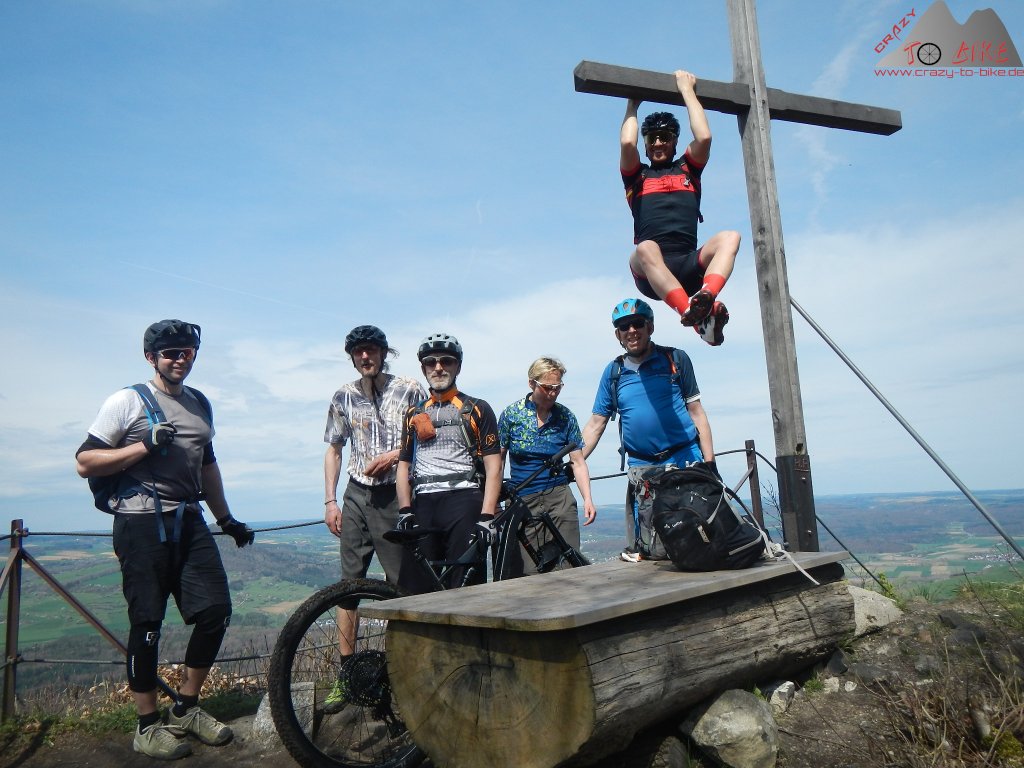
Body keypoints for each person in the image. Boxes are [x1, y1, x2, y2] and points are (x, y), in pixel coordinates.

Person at [75, 320, 254, 760]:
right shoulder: (127, 400)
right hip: (139, 524)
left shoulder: (199, 404)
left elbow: (207, 465)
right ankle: (146, 725)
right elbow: (85, 461)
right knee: (148, 623)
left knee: (215, 611)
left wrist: (226, 518)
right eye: (171, 352)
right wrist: (142, 447)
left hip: (189, 520)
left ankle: (186, 709)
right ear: (151, 357)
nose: (180, 359)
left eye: (187, 351)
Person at [321, 324, 425, 711]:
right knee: (349, 585)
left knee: (400, 584)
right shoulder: (343, 396)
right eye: (359, 352)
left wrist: (396, 455)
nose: (366, 357)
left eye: (372, 350)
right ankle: (346, 678)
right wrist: (330, 501)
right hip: (356, 494)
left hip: (395, 494)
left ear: (384, 353)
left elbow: (425, 437)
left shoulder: (410, 388)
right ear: (352, 356)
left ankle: (402, 673)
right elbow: (334, 448)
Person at [581, 299, 719, 558]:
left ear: (650, 327)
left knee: (700, 532)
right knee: (651, 544)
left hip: (686, 459)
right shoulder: (613, 373)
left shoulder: (675, 359)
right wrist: (573, 461)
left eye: (637, 323)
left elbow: (697, 412)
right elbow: (595, 424)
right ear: (617, 335)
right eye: (624, 326)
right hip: (643, 467)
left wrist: (709, 465)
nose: (631, 330)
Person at [620, 69, 741, 346]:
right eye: (652, 139)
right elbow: (628, 142)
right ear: (647, 146)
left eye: (665, 136)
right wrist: (632, 103)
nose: (659, 143)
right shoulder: (637, 178)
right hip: (651, 271)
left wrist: (687, 91)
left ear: (675, 141)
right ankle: (694, 315)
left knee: (730, 237)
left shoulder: (689, 170)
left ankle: (705, 299)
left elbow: (704, 138)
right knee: (646, 247)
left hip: (688, 268)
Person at [395, 333, 502, 593]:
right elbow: (403, 464)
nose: (438, 367)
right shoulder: (414, 412)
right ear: (423, 368)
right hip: (424, 503)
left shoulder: (476, 408)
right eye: (431, 362)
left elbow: (494, 465)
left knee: (465, 586)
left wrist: (487, 516)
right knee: (414, 587)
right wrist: (405, 509)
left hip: (464, 500)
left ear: (458, 366)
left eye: (447, 361)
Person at [497, 357, 597, 574]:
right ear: (532, 384)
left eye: (557, 387)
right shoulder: (511, 415)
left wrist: (587, 498)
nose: (553, 393)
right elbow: (499, 461)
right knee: (530, 571)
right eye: (547, 388)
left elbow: (578, 462)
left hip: (559, 497)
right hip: (523, 498)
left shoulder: (565, 416)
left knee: (570, 565)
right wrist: (494, 500)